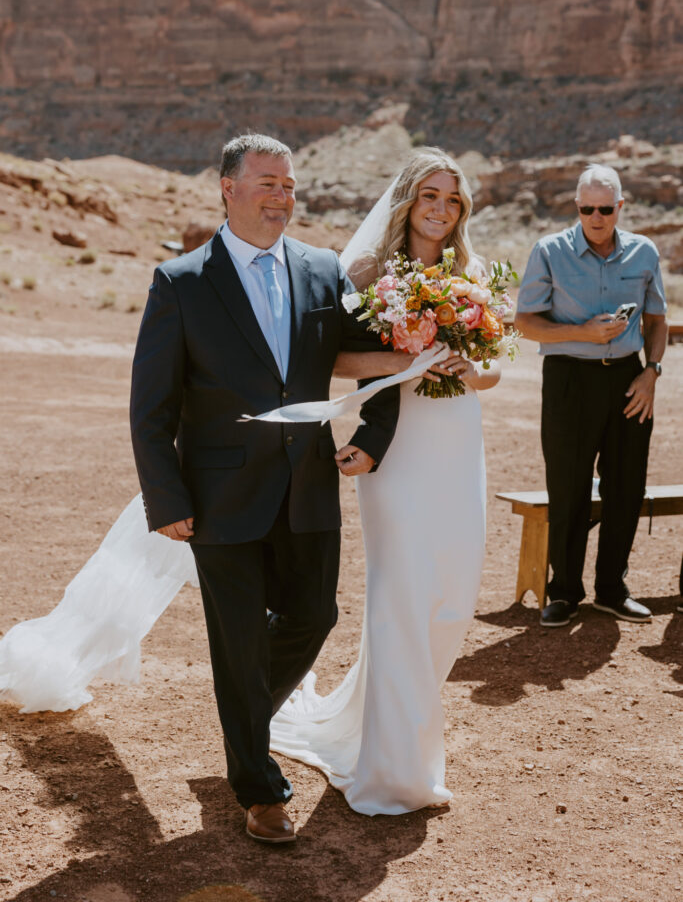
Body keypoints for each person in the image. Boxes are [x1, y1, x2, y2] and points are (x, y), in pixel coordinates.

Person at [129, 133, 401, 844]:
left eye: (288, 184)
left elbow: (376, 358)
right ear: (228, 187)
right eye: (267, 182)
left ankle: (243, 722)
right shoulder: (180, 282)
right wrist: (168, 499)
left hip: (309, 485)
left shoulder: (322, 270)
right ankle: (259, 789)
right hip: (218, 497)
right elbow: (150, 409)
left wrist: (374, 436)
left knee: (315, 617)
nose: (281, 196)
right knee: (239, 642)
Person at [267, 147, 501, 815]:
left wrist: (462, 365)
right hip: (394, 451)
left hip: (456, 442)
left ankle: (389, 730)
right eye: (430, 195)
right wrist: (407, 359)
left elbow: (493, 370)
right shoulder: (367, 271)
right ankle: (394, 768)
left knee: (452, 596)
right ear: (406, 199)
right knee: (402, 594)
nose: (440, 208)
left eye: (452, 199)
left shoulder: (471, 273)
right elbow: (330, 359)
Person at [515, 163, 668, 629]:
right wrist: (581, 330)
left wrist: (651, 373)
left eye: (605, 208)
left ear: (621, 206)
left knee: (627, 486)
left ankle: (611, 590)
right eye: (587, 209)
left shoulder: (644, 252)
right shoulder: (549, 251)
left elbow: (657, 320)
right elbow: (525, 320)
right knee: (569, 487)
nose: (596, 217)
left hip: (628, 379)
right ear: (576, 207)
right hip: (569, 378)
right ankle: (564, 593)